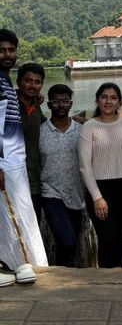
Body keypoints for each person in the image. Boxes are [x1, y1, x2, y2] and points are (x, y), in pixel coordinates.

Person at [0, 29, 48, 288]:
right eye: (2, 50)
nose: (7, 55)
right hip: (5, 162)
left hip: (17, 163)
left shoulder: (5, 81)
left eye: (11, 50)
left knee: (13, 216)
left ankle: (17, 263)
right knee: (10, 213)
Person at [79, 83, 122, 268]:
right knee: (106, 237)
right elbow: (84, 166)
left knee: (120, 237)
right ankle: (106, 280)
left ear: (120, 102)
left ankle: (119, 280)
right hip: (99, 189)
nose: (108, 101)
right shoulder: (89, 127)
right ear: (97, 100)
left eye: (113, 97)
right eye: (104, 97)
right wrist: (97, 197)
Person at [39, 84, 84, 267]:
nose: (60, 105)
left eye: (64, 101)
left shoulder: (82, 131)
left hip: (76, 195)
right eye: (55, 102)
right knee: (67, 240)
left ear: (71, 104)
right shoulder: (40, 131)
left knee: (71, 243)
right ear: (49, 105)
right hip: (50, 192)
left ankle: (64, 278)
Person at [16, 62, 46, 222]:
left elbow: (48, 126)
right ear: (18, 82)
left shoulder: (36, 106)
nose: (33, 85)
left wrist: (72, 122)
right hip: (12, 181)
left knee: (34, 227)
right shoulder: (7, 105)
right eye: (28, 81)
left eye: (37, 82)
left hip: (35, 181)